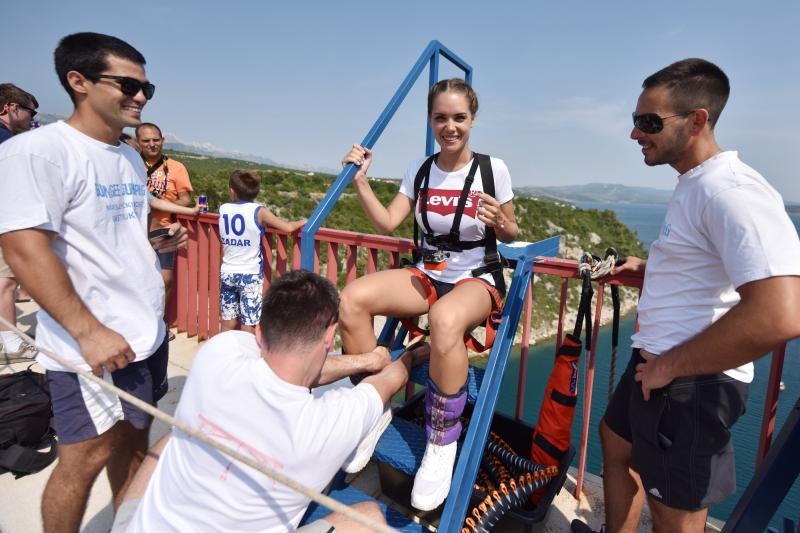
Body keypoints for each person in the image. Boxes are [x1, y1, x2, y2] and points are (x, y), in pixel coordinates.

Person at [588, 59, 800, 533]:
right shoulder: (695, 183)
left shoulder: (733, 191)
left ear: (698, 120)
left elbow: (782, 313)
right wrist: (646, 268)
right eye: (636, 120)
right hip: (659, 364)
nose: (634, 133)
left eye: (649, 122)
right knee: (616, 442)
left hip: (691, 383)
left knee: (675, 511)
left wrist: (671, 366)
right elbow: (709, 268)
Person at [0, 32, 188, 533]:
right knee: (81, 462)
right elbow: (23, 248)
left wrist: (156, 244)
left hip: (142, 337)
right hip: (92, 346)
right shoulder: (38, 151)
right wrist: (87, 332)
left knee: (131, 444)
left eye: (148, 87)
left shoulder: (126, 157)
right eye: (127, 83)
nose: (141, 96)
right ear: (77, 81)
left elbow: (112, 238)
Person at [118, 270, 428, 532]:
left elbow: (286, 364)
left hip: (147, 526)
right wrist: (407, 357)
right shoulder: (328, 426)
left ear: (259, 331)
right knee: (369, 519)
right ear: (328, 338)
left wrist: (364, 361)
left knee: (172, 438)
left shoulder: (219, 352)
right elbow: (389, 381)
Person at [339, 78, 519, 511]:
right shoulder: (421, 170)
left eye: (459, 118)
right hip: (428, 271)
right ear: (431, 120)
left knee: (444, 321)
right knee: (352, 299)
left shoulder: (493, 169)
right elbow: (388, 223)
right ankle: (373, 405)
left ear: (472, 120)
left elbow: (512, 232)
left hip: (477, 276)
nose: (450, 126)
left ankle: (442, 439)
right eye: (441, 117)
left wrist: (500, 222)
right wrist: (361, 180)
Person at [219, 169, 306, 333]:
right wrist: (303, 221)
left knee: (228, 321)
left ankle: (225, 355)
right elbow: (287, 227)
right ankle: (247, 357)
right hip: (249, 274)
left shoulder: (223, 209)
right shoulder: (259, 211)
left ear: (231, 191)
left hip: (227, 271)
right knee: (249, 323)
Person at [135, 122, 193, 326]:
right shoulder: (129, 163)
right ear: (137, 142)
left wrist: (162, 205)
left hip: (164, 230)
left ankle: (160, 324)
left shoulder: (176, 168)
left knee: (165, 280)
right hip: (133, 230)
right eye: (146, 141)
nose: (152, 144)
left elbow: (185, 199)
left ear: (163, 141)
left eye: (156, 140)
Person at [0, 83, 39, 360]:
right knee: (5, 282)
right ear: (11, 108)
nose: (32, 118)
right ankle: (11, 342)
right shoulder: (8, 143)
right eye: (29, 111)